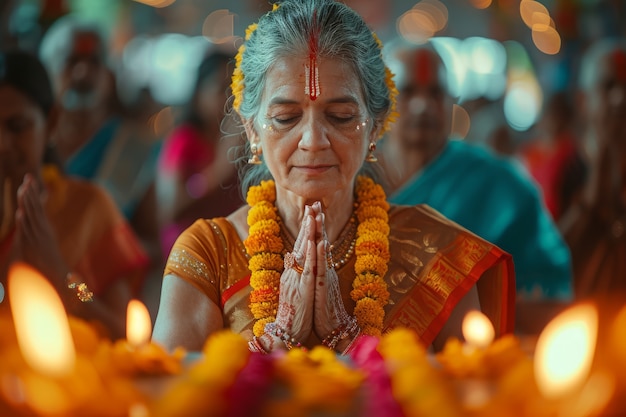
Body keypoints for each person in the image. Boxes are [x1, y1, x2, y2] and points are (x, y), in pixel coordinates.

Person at [152, 0, 515, 354]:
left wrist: (347, 339)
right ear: (251, 130)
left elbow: (468, 400)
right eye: (285, 118)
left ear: (374, 128)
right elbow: (169, 399)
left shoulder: (436, 254)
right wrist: (277, 340)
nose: (313, 141)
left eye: (340, 116)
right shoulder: (208, 255)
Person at [379, 39, 573, 335]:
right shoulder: (351, 176)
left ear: (452, 100)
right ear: (383, 101)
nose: (423, 105)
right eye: (408, 92)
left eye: (435, 93)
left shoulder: (501, 186)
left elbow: (551, 291)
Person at [0, 49, 149, 339]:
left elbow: (120, 332)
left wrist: (63, 276)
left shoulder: (88, 208)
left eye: (17, 127)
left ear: (52, 121)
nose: (2, 144)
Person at [38, 16, 162, 275]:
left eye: (94, 62)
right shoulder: (29, 141)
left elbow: (152, 244)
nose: (83, 72)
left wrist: (106, 253)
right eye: (71, 61)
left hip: (94, 295)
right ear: (47, 71)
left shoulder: (133, 147)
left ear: (108, 74)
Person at [156, 49, 244, 258]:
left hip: (227, 244)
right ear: (198, 94)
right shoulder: (184, 140)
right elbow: (169, 210)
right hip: (190, 249)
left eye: (235, 90)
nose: (229, 99)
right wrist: (218, 171)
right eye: (221, 89)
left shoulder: (239, 139)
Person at [559, 39, 626, 298]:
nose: (621, 98)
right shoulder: (558, 167)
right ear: (583, 100)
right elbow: (546, 258)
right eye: (608, 86)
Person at [518, 91, 586, 222]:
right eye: (550, 114)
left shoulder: (570, 153)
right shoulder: (529, 151)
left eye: (557, 115)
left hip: (557, 222)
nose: (552, 121)